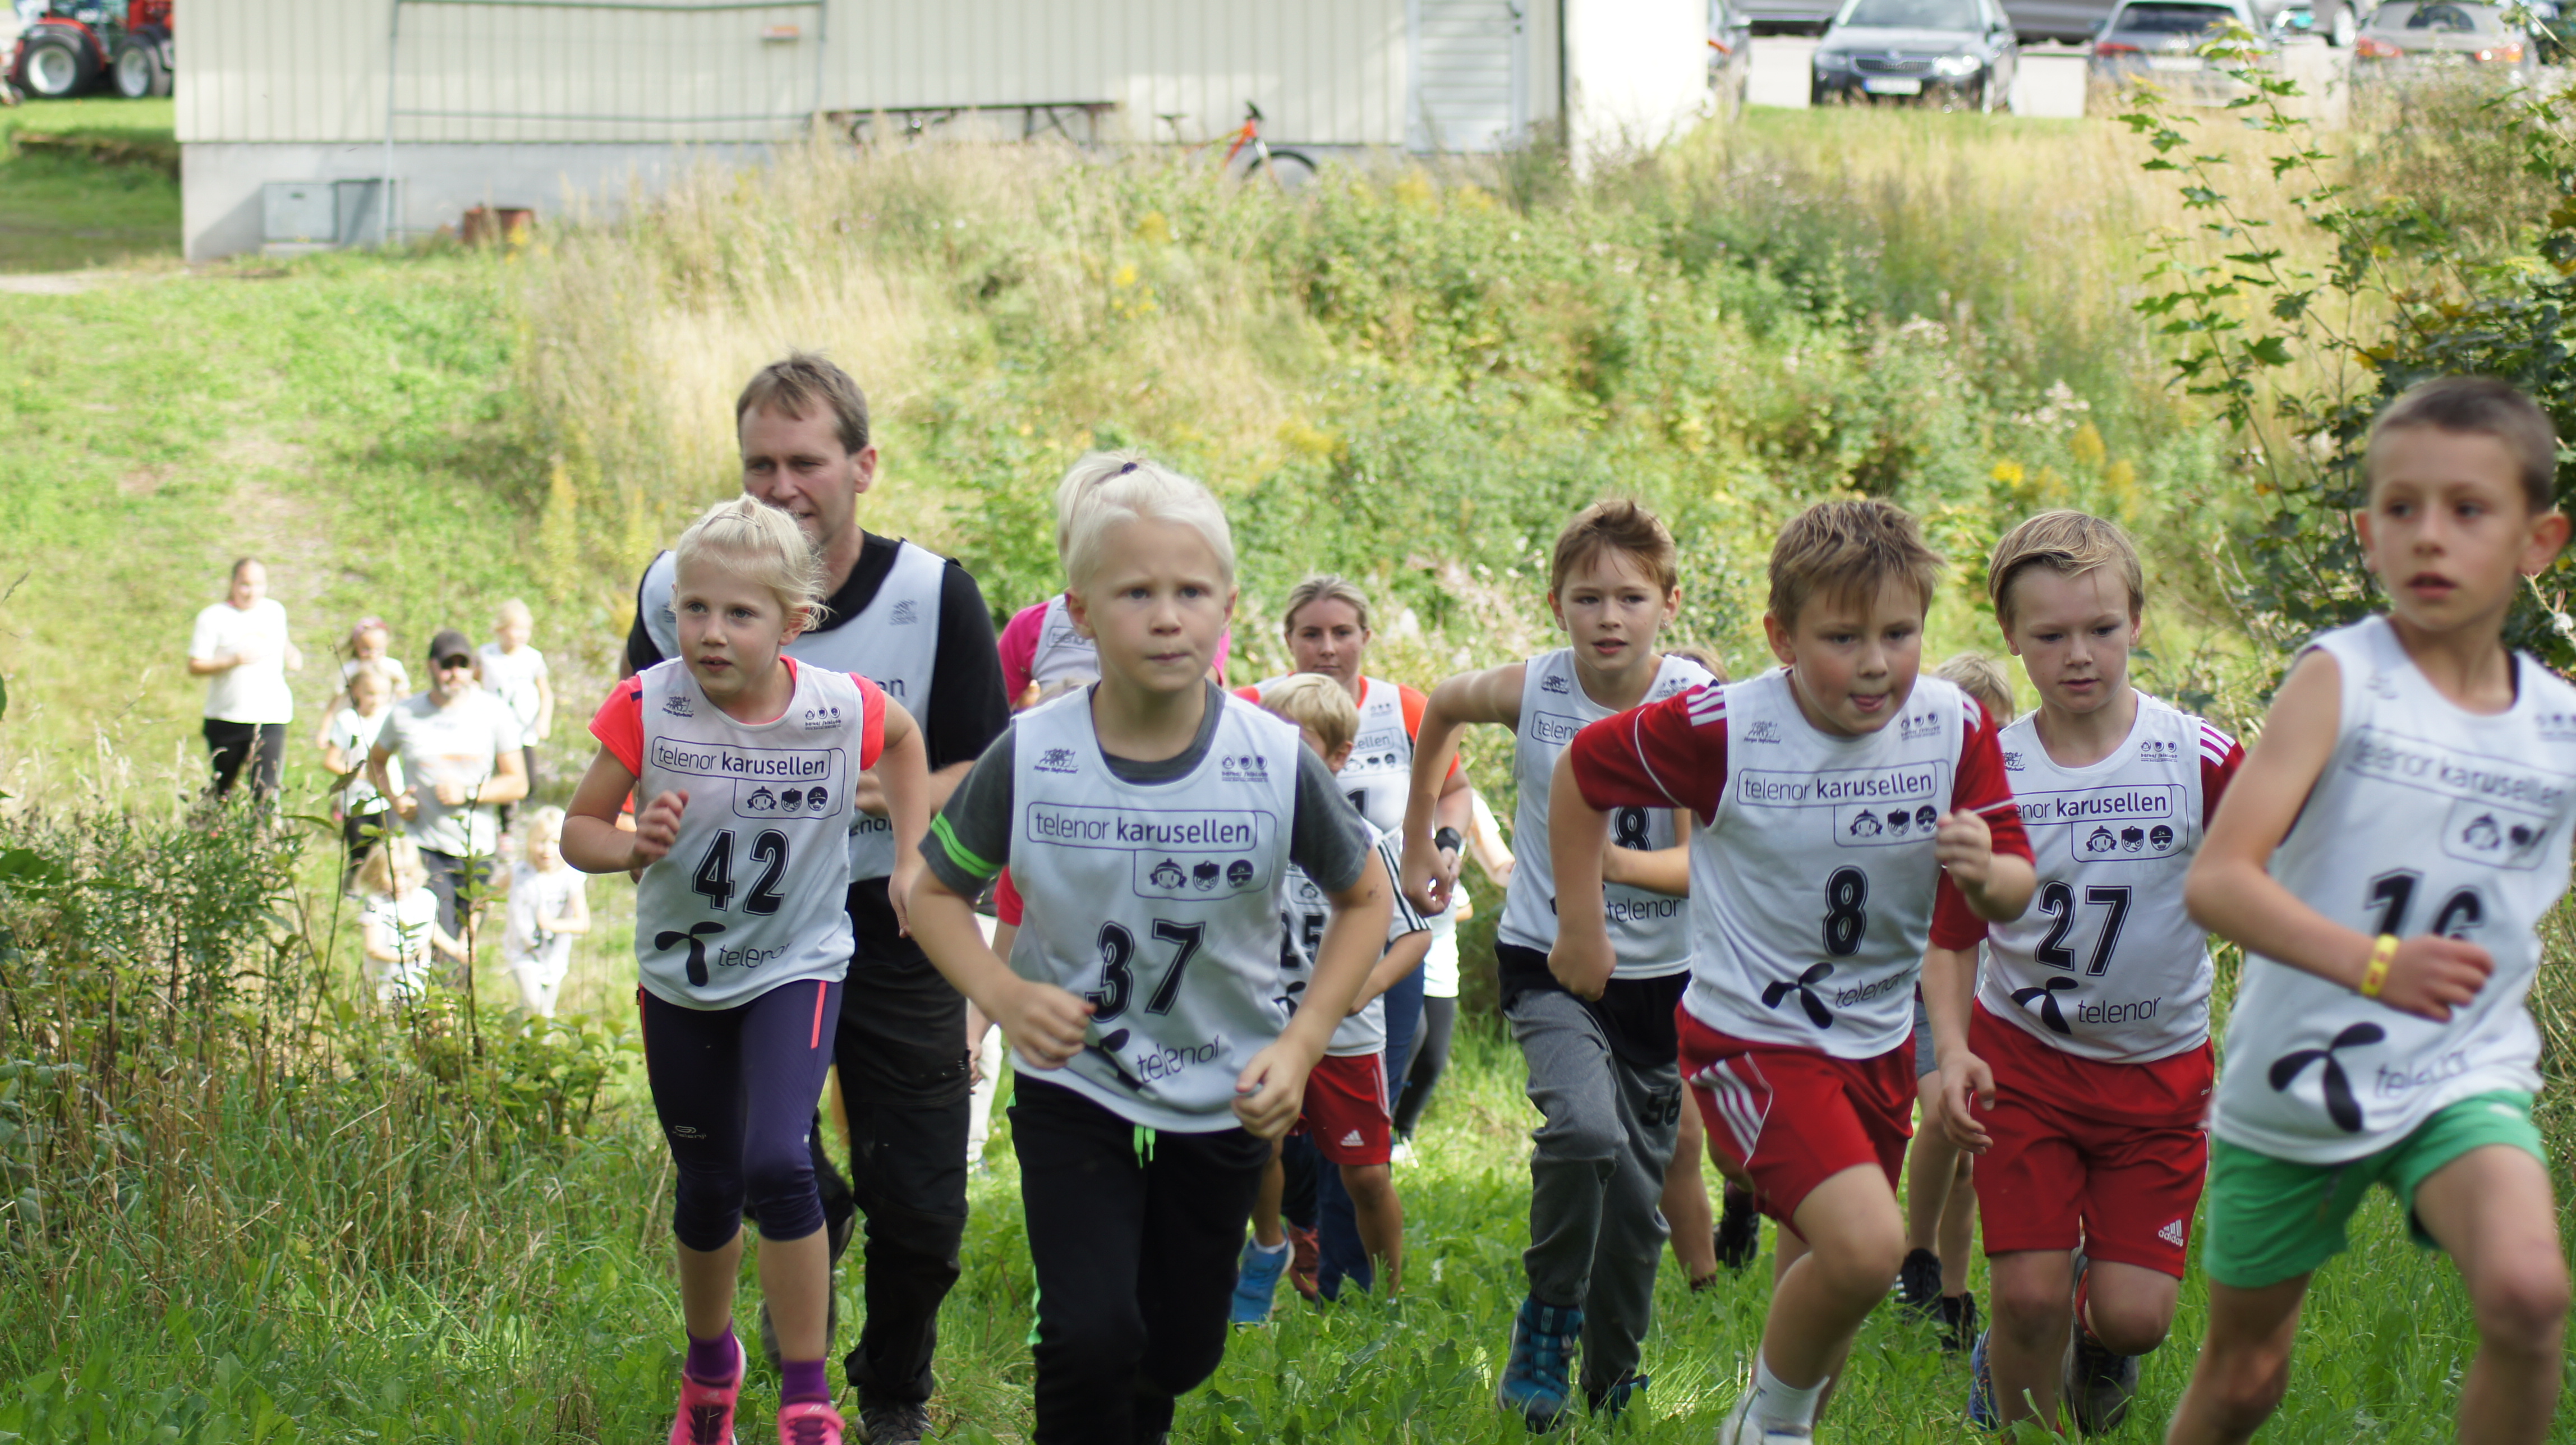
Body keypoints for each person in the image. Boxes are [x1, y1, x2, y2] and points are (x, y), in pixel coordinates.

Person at [905, 453, 1390, 1445]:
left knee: (1179, 1347)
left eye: (1190, 592)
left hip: (1226, 1086)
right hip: (1072, 1077)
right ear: (1081, 614)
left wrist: (1302, 1041)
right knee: (1088, 1334)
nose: (1166, 617)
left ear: (1228, 608)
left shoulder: (1273, 757)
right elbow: (930, 893)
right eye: (1135, 594)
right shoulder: (1033, 752)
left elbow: (1364, 896)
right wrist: (1004, 993)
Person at [1553, 498, 2036, 1445]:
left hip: (1875, 1042)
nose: (1875, 663)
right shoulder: (1725, 728)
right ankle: (1762, 1422)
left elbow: (2014, 886)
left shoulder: (1953, 725)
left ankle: (1785, 1423)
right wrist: (1580, 925)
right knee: (1868, 1248)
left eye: (1899, 634)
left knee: (1825, 1271)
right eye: (1842, 638)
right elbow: (1581, 773)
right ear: (1781, 637)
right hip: (1752, 1037)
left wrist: (1988, 872)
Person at [2164, 378, 2576, 1445]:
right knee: (2244, 1380)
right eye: (2401, 507)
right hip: (2298, 1079)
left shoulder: (2558, 728)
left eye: (2468, 509)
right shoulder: (2342, 679)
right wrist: (2374, 964)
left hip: (2460, 1069)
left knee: (2530, 1296)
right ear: (2366, 534)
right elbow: (2218, 882)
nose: (2429, 534)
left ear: (2539, 541)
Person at [624, 354, 1010, 1444]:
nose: (781, 485)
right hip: (743, 931)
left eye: (806, 461)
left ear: (863, 465)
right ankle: (803, 1302)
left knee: (922, 1200)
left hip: (894, 916)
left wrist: (861, 796)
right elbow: (639, 736)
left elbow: (983, 768)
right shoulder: (677, 588)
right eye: (760, 464)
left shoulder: (933, 595)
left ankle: (892, 1392)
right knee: (762, 1162)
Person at [565, 495, 931, 1445]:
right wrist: (630, 845)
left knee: (778, 1160)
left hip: (795, 967)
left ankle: (807, 1397)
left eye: (739, 613)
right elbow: (577, 831)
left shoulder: (839, 706)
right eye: (694, 609)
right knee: (706, 1183)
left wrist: (908, 857)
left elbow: (904, 742)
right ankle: (710, 1372)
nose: (712, 633)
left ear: (793, 622)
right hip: (682, 978)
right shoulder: (647, 704)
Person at [1920, 527, 2244, 1435]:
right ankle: (2020, 1402)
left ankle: (2096, 1342)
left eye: (2101, 629)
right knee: (2026, 1297)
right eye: (2050, 635)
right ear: (2010, 636)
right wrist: (1950, 1050)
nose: (2078, 655)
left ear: (2137, 621)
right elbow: (1948, 940)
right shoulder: (1989, 773)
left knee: (2136, 1317)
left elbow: (2275, 889)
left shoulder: (2199, 759)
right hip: (2025, 1063)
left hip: (2159, 1076)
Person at [1400, 501, 1716, 1430]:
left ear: (1668, 603)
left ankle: (1614, 1379)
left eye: (1631, 598)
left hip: (1659, 980)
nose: (1609, 617)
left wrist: (1608, 864)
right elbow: (1443, 706)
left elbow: (1703, 864)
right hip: (1547, 961)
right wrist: (1418, 839)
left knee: (1637, 1210)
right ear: (1555, 604)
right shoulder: (1534, 688)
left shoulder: (1696, 703)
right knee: (1583, 1132)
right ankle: (1545, 1321)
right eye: (1587, 598)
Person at [1240, 575, 1469, 1291]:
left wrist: (1445, 844)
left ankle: (1363, 1288)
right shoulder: (1249, 708)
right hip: (1265, 1005)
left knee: (1362, 1161)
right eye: (1310, 632)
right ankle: (1284, 1249)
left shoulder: (1403, 710)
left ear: (1366, 636)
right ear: (1287, 637)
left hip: (1358, 994)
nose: (1327, 645)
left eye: (1342, 631)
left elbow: (1452, 789)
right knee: (1265, 1146)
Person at [1232, 673, 1433, 1320]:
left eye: (1301, 743)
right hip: (1264, 1028)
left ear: (1339, 756)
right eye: (1271, 740)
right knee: (1258, 1147)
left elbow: (1414, 937)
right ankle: (1268, 1250)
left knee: (1366, 1176)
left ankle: (1388, 1298)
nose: (1282, 756)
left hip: (1347, 1037)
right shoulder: (1239, 831)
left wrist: (1361, 986)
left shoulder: (1361, 839)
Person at [1896, 649, 2014, 1351]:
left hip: (1983, 990)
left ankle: (1952, 1295)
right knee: (1946, 1115)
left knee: (1970, 1148)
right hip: (1912, 991)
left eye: (1993, 734)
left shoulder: (2004, 808)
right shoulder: (1910, 802)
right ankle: (1916, 1255)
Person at [369, 628, 530, 939]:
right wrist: (394, 798)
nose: (455, 673)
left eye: (463, 665)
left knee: (466, 939)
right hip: (424, 846)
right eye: (447, 665)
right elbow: (375, 761)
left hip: (476, 849)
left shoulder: (494, 712)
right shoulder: (405, 713)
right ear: (430, 666)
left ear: (473, 669)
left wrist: (468, 794)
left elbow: (518, 783)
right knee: (438, 937)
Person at [1389, 785, 1511, 1161]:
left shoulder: (1467, 804)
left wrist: (1548, 868)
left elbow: (1500, 867)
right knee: (1407, 1039)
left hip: (1440, 951)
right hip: (1392, 943)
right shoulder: (1390, 793)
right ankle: (1374, 1136)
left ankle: (1402, 1137)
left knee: (1433, 1055)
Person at [186, 558, 301, 807]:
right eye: (245, 584)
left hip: (271, 715)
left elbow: (283, 642)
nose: (251, 592)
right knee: (222, 789)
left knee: (265, 790)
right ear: (233, 583)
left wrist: (293, 655)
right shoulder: (213, 617)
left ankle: (263, 831)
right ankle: (211, 825)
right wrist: (232, 661)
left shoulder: (275, 611)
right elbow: (195, 665)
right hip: (227, 717)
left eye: (258, 584)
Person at [501, 806, 591, 1019]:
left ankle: (522, 1035)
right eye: (540, 841)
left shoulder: (571, 878)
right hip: (522, 952)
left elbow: (583, 924)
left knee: (545, 1012)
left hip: (555, 957)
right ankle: (523, 1032)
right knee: (535, 1005)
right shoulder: (520, 872)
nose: (546, 850)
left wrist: (553, 925)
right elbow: (487, 894)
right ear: (530, 841)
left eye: (554, 842)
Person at [357, 835, 465, 1004]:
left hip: (416, 980)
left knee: (420, 1008)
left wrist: (457, 950)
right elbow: (373, 949)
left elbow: (431, 929)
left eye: (406, 875)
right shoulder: (376, 905)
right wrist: (406, 958)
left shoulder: (424, 898)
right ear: (377, 873)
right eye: (392, 875)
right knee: (386, 1013)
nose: (399, 882)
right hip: (384, 982)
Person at [323, 662, 401, 892]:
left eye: (383, 694)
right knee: (360, 853)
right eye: (370, 693)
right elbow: (330, 761)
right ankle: (352, 890)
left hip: (389, 796)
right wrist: (362, 775)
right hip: (356, 801)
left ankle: (386, 893)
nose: (376, 700)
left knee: (389, 849)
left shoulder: (391, 717)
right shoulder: (347, 720)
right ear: (357, 691)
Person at [480, 598, 554, 804]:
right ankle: (504, 817)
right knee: (499, 774)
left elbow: (546, 693)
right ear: (501, 629)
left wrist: (544, 721)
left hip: (524, 729)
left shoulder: (533, 658)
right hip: (494, 726)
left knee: (528, 777)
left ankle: (526, 811)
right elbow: (475, 684)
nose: (522, 635)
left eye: (526, 629)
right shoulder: (486, 655)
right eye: (517, 629)